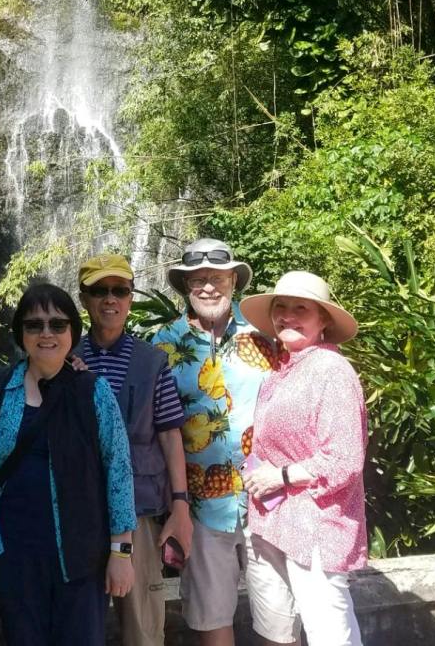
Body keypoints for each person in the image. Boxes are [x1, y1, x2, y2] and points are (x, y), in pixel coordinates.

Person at [0, 283, 136, 646]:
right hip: (13, 553)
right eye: (34, 325)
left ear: (73, 330)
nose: (46, 333)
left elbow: (117, 472)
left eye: (57, 324)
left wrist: (121, 552)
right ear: (20, 333)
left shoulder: (93, 391)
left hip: (81, 554)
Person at [152, 238, 278, 646]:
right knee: (211, 621)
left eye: (217, 278)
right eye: (198, 279)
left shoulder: (266, 335)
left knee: (281, 620)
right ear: (185, 286)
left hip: (270, 502)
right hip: (200, 508)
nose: (208, 287)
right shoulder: (162, 346)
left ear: (234, 281)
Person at [239, 271, 367, 646]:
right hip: (272, 521)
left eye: (301, 308)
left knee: (329, 634)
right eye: (281, 307)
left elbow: (344, 459)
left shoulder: (333, 372)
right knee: (277, 632)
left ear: (323, 319)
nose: (288, 315)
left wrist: (279, 475)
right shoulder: (282, 370)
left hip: (316, 525)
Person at [73, 254, 191, 646]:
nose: (111, 299)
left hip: (139, 507)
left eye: (120, 290)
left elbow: (170, 434)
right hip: (81, 506)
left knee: (143, 626)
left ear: (130, 297)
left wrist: (179, 504)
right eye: (100, 291)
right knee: (78, 621)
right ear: (84, 298)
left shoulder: (152, 361)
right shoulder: (66, 355)